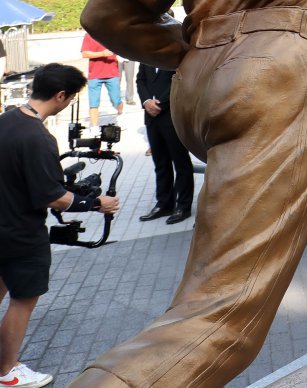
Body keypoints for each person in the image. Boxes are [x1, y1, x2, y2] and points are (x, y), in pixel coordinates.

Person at [0, 64, 121, 388]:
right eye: (70, 98)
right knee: (23, 301)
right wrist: (97, 204)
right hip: (22, 234)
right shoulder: (38, 137)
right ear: (60, 95)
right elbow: (53, 197)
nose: (68, 104)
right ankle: (7, 371)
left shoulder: (7, 120)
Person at [136, 63, 194, 225]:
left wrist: (159, 103)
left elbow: (181, 81)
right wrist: (146, 101)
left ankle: (183, 206)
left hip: (171, 116)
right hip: (151, 117)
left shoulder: (174, 56)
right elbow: (140, 80)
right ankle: (164, 204)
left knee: (181, 163)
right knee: (160, 163)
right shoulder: (145, 55)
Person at [80, 32, 122, 128]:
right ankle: (94, 127)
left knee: (116, 100)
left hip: (112, 73)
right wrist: (102, 53)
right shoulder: (89, 35)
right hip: (95, 75)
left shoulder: (114, 34)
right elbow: (84, 53)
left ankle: (120, 112)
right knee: (93, 103)